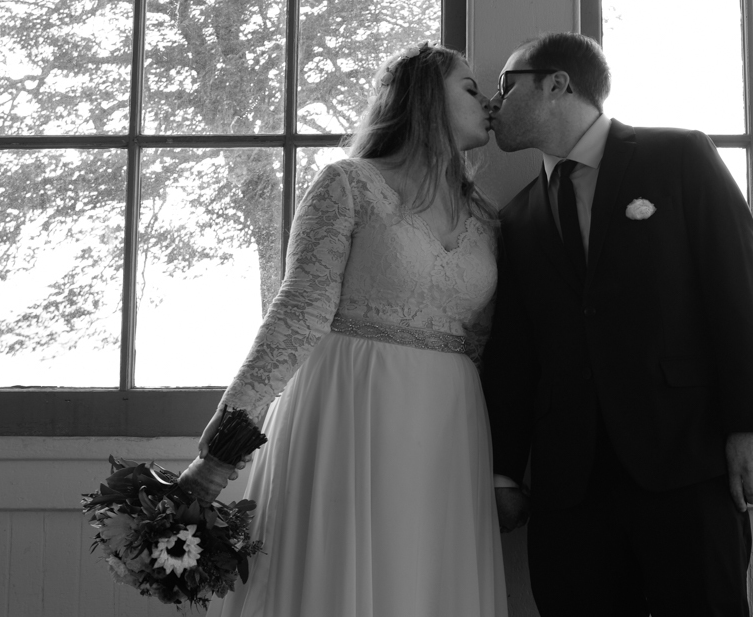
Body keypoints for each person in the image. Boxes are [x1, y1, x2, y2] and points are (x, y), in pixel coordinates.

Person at [182, 41, 508, 617]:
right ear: (426, 98)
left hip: (450, 423)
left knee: (425, 577)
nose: (488, 102)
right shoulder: (348, 185)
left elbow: (486, 342)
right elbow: (297, 312)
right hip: (349, 404)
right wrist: (222, 449)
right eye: (470, 87)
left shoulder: (485, 217)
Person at [482, 32, 753, 616]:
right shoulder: (517, 217)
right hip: (570, 487)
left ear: (557, 84)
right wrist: (504, 472)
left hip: (685, 462)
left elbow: (739, 291)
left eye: (506, 85)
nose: (494, 103)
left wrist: (751, 422)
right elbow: (516, 352)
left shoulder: (680, 157)